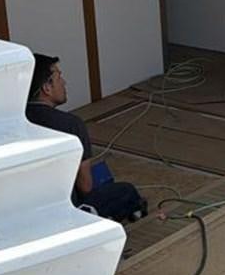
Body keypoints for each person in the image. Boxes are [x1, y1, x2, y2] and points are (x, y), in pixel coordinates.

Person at [24, 54, 147, 222]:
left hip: (27, 208)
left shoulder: (17, 122)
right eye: (59, 77)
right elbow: (85, 186)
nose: (64, 82)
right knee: (126, 191)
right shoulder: (70, 125)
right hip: (66, 207)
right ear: (47, 88)